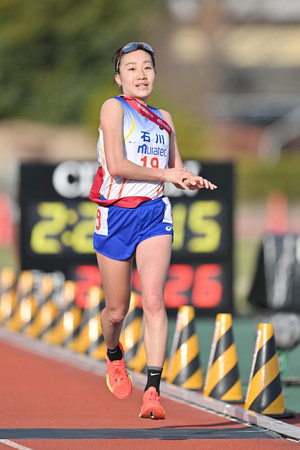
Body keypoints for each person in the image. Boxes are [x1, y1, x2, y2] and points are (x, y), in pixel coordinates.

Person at [90, 42, 217, 419]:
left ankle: (153, 391)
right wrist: (167, 174)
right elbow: (117, 165)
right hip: (115, 215)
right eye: (131, 69)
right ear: (119, 77)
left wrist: (189, 180)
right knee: (116, 311)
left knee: (155, 300)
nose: (141, 74)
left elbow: (176, 171)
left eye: (147, 67)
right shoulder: (113, 107)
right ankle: (114, 354)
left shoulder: (165, 117)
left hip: (153, 214)